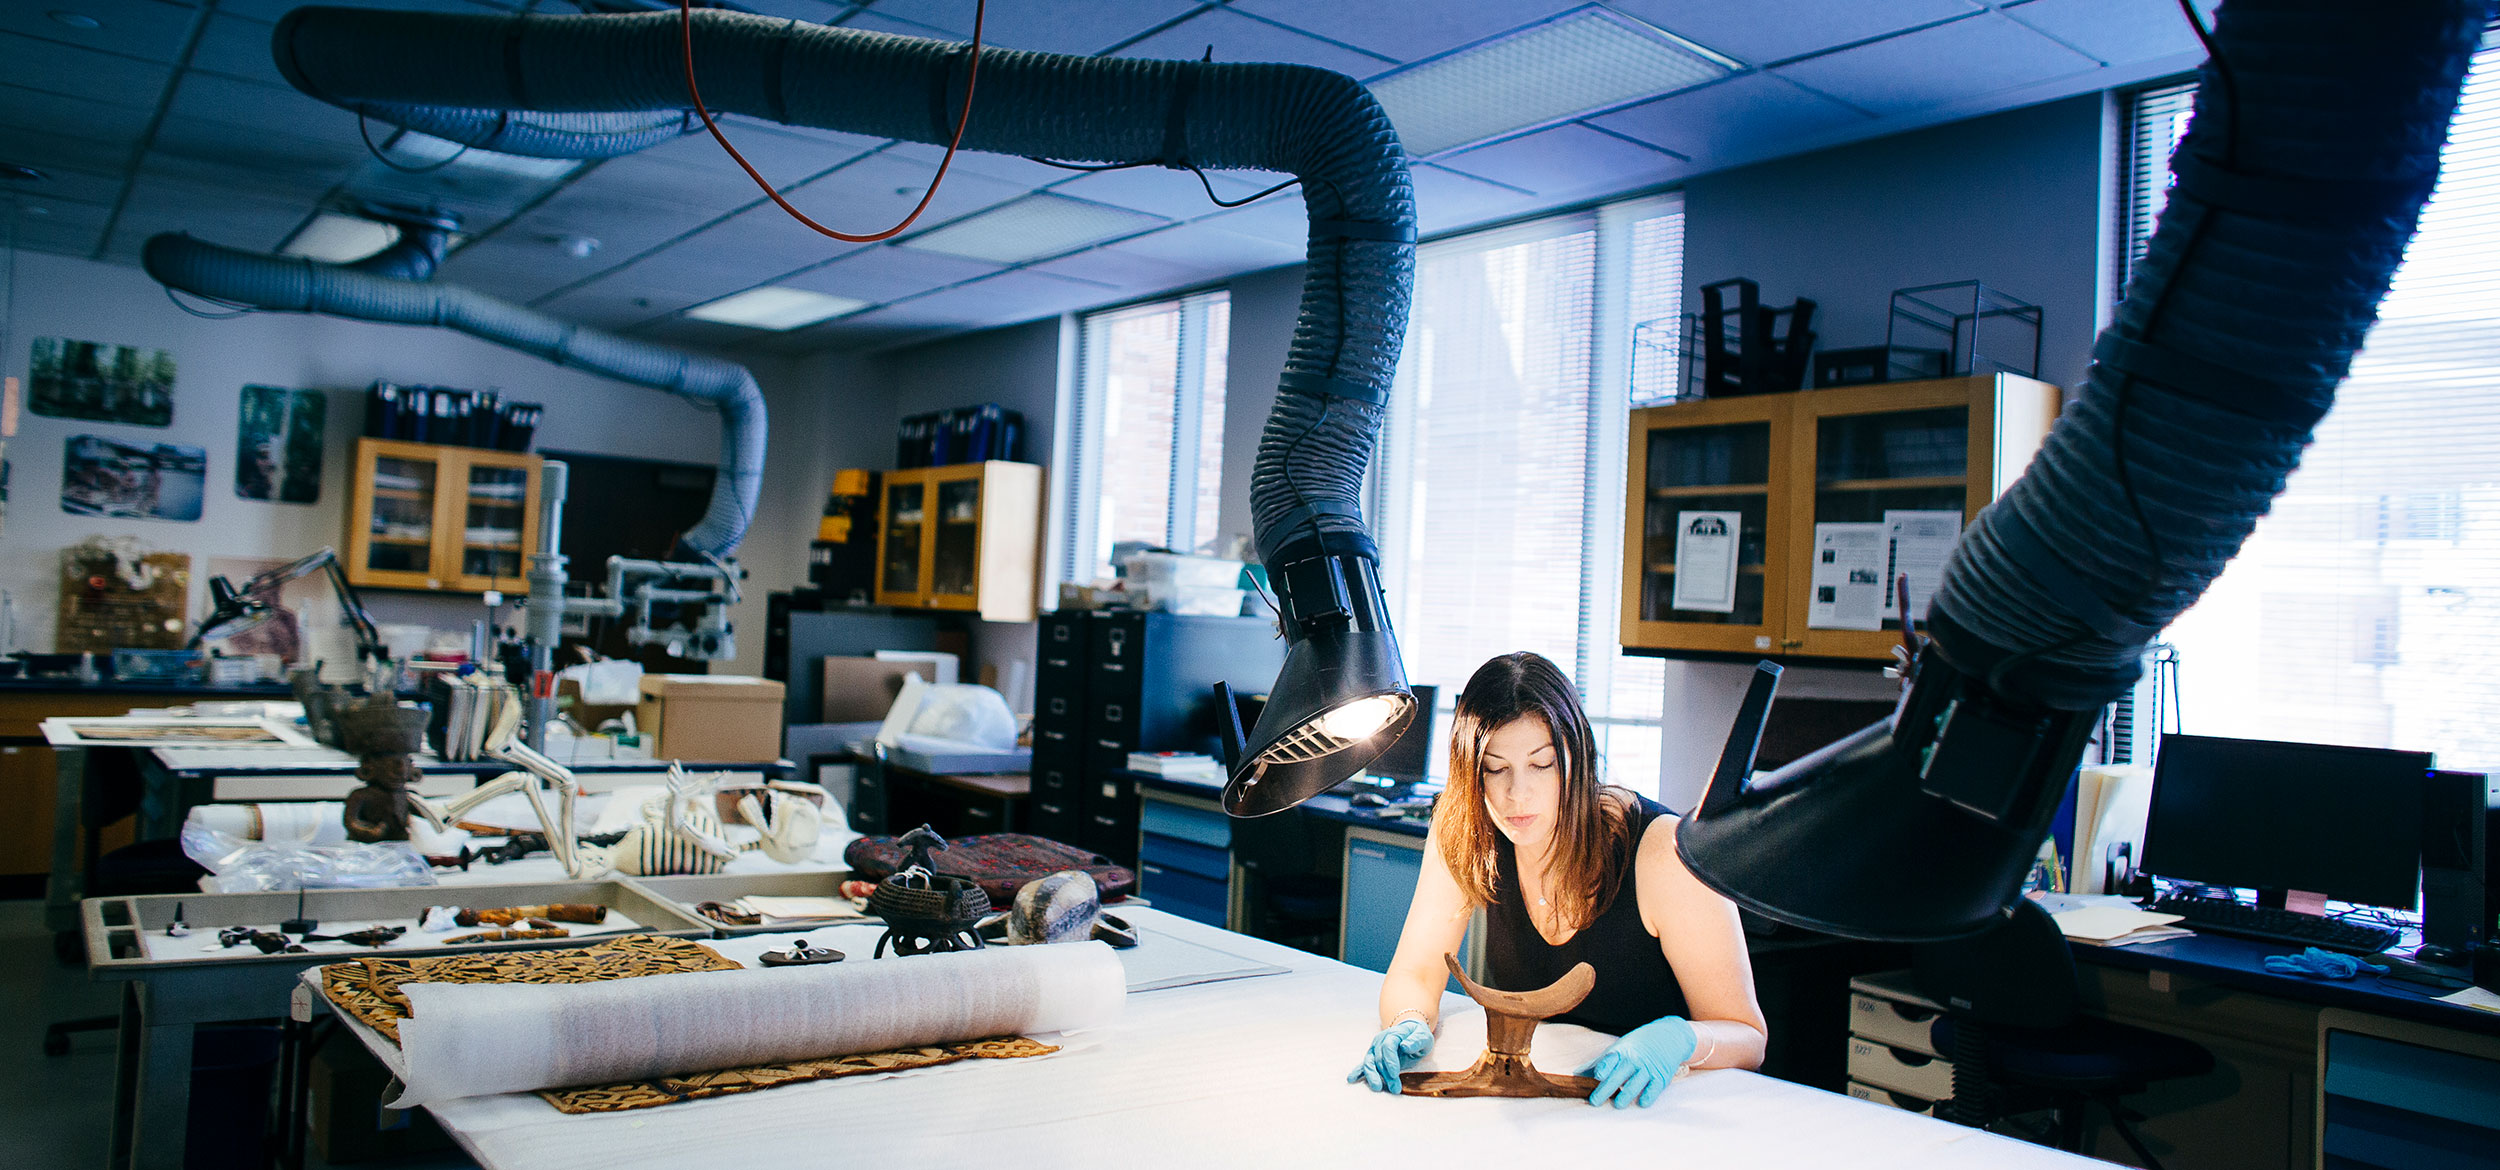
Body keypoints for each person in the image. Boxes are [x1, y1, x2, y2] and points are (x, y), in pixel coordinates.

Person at [1347, 651, 1768, 1108]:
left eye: (1541, 764)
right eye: (1495, 768)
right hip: (1549, 1111)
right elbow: (1416, 972)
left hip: (1666, 1110)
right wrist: (1407, 1021)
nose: (1516, 793)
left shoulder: (1662, 851)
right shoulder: (1466, 830)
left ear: (1577, 758)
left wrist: (1681, 1040)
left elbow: (1747, 1037)